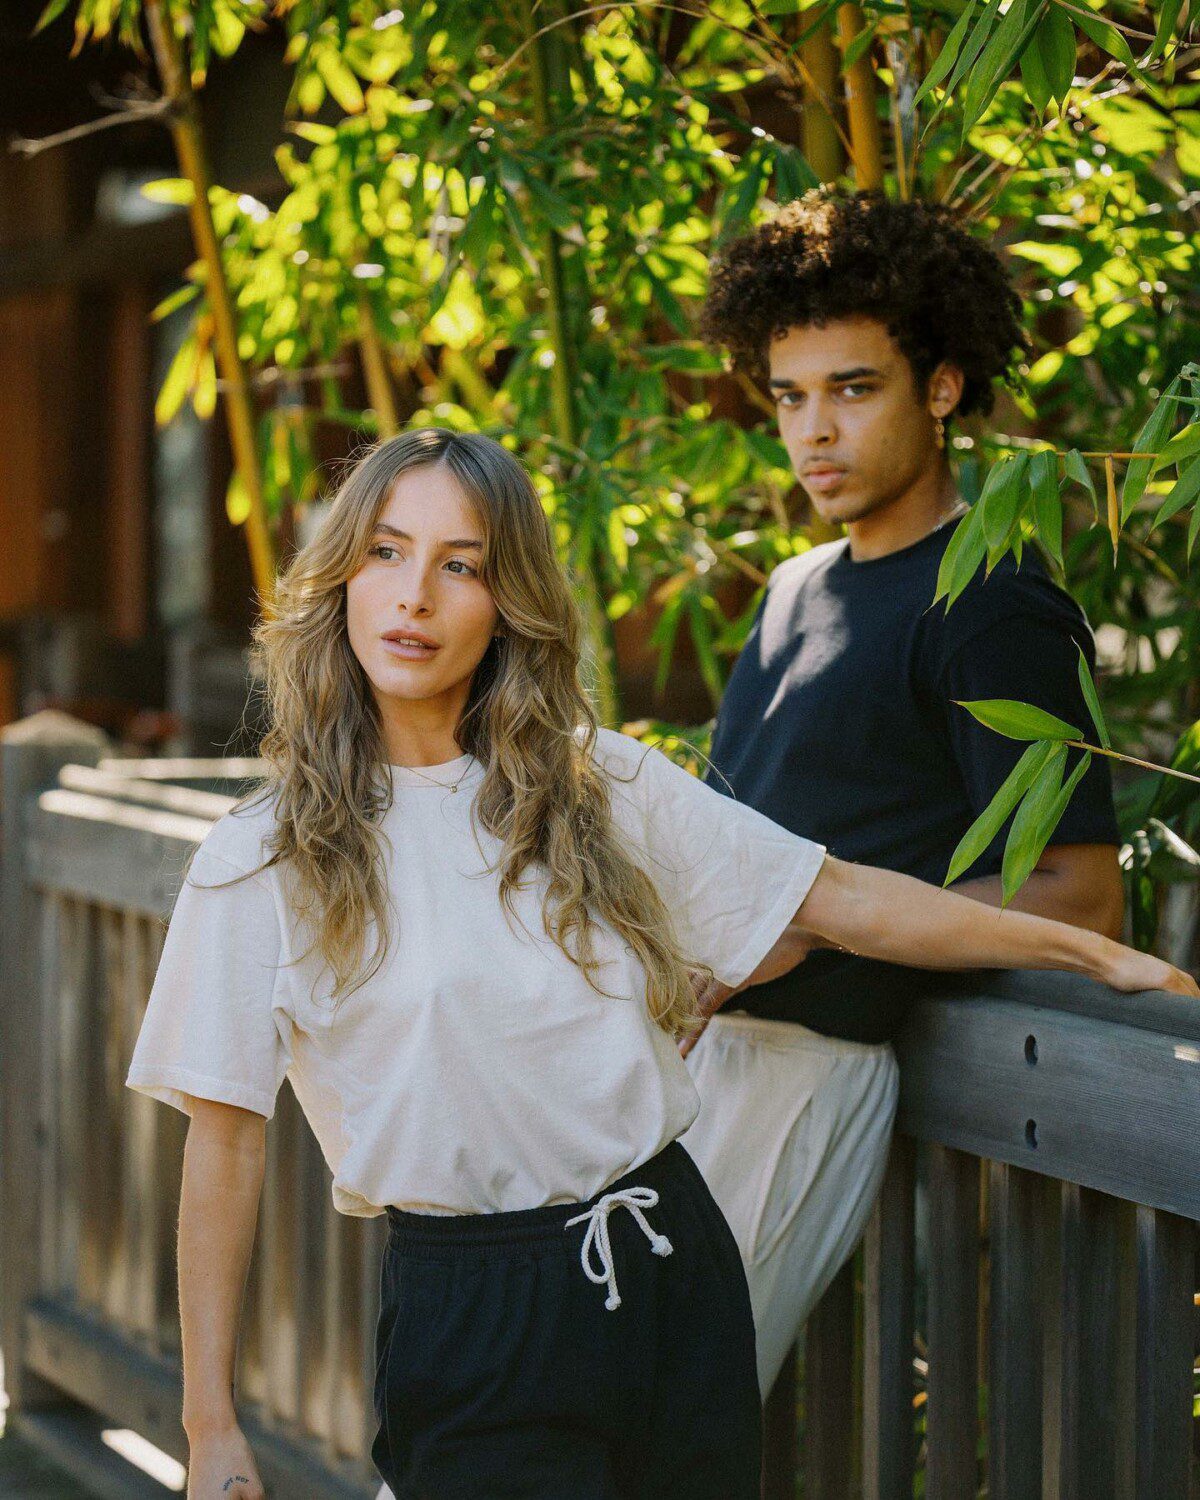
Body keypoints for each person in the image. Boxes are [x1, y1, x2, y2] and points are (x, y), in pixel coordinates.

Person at [126, 428, 1193, 1500]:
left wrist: (1084, 947)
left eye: (463, 564)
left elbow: (845, 900)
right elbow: (223, 1146)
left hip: (669, 1261)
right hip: (474, 1308)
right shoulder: (264, 860)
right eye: (386, 553)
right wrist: (208, 1425)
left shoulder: (601, 790)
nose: (416, 596)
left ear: (508, 602)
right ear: (341, 581)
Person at [677, 188, 1129, 1397]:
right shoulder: (790, 590)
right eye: (789, 396)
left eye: (854, 388)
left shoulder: (994, 600)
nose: (813, 431)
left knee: (635, 1446)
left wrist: (815, 930)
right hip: (683, 1068)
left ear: (940, 386)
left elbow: (1080, 894)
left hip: (803, 1082)